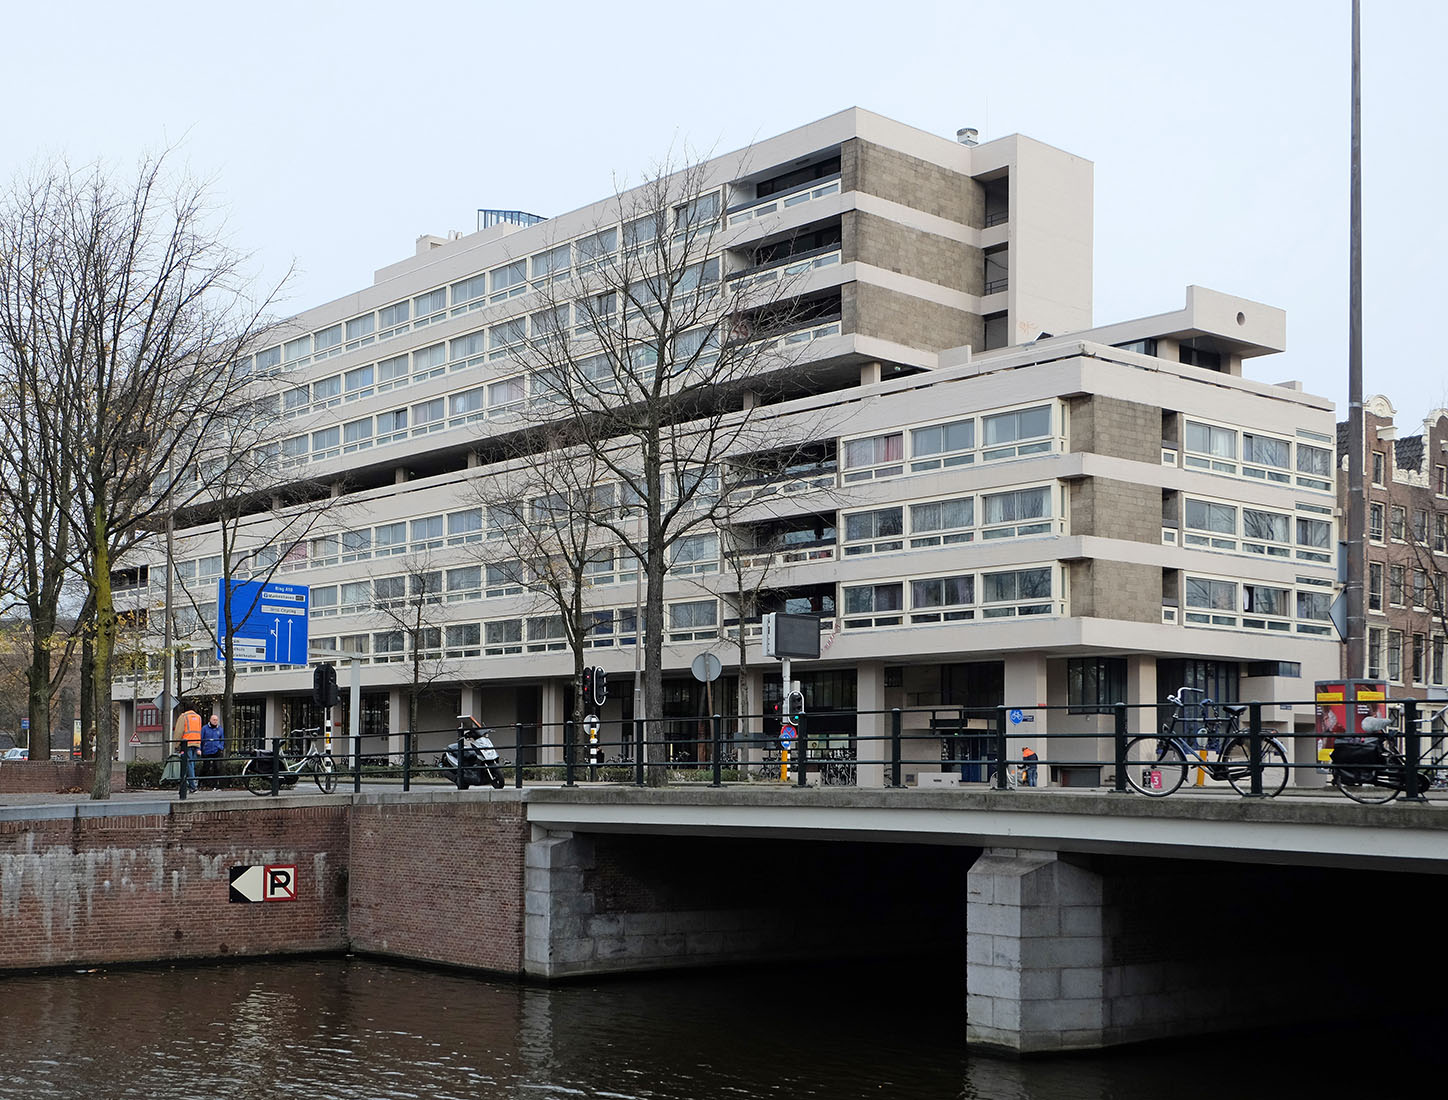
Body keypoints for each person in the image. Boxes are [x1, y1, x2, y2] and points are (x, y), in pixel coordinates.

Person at [174, 705, 202, 793]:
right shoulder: (198, 717)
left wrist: (176, 744)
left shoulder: (183, 717)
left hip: (187, 743)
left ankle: (192, 786)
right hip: (196, 742)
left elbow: (179, 731)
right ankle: (190, 785)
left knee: (188, 764)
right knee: (191, 765)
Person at [199, 713, 224, 789]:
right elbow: (201, 739)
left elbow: (222, 739)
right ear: (210, 720)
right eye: (214, 720)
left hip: (216, 750)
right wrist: (199, 749)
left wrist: (220, 747)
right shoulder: (204, 728)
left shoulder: (220, 729)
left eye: (216, 720)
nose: (215, 721)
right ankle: (201, 783)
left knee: (216, 767)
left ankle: (215, 785)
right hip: (206, 750)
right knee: (205, 767)